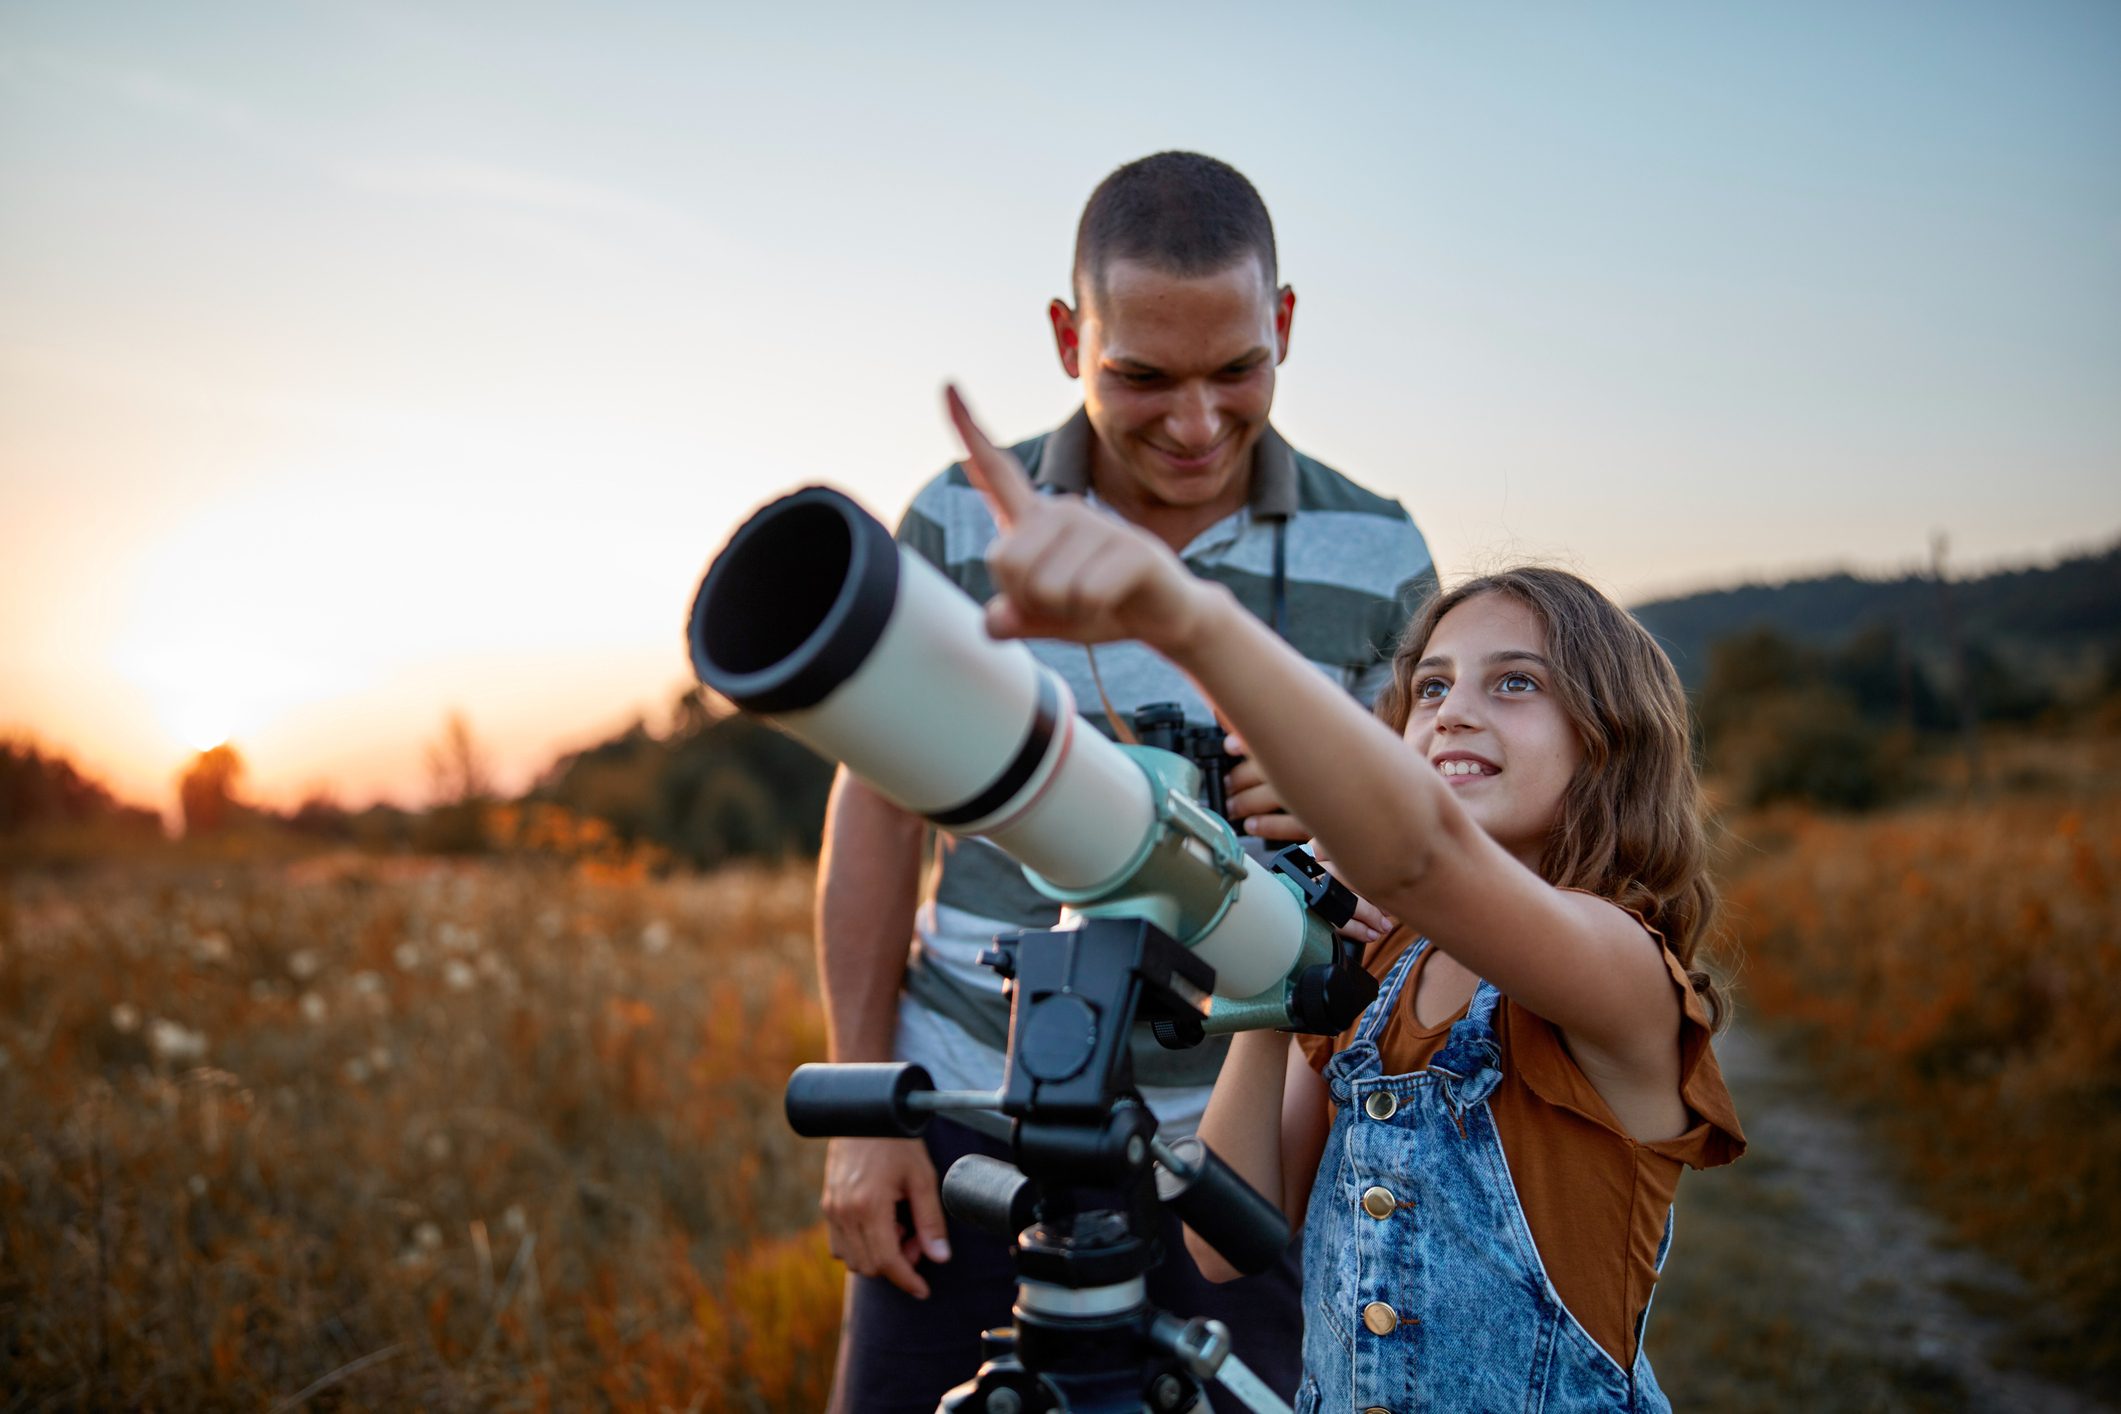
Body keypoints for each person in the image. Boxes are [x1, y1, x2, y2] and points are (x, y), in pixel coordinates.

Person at [943, 384, 1746, 1413]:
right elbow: (1227, 1237)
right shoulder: (1378, 967)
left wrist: (1185, 619)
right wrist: (1280, 957)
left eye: (1514, 683)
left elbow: (1424, 857)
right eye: (1433, 687)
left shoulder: (1618, 967)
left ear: (1610, 740)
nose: (1454, 711)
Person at [820, 152, 1436, 1413]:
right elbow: (876, 810)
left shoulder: (1381, 553)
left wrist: (1336, 813)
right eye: (1142, 376)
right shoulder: (953, 520)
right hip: (979, 1114)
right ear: (1067, 337)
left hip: (1256, 1143)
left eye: (1237, 371)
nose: (1197, 425)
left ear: (1285, 325)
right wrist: (866, 1112)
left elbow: (1439, 858)